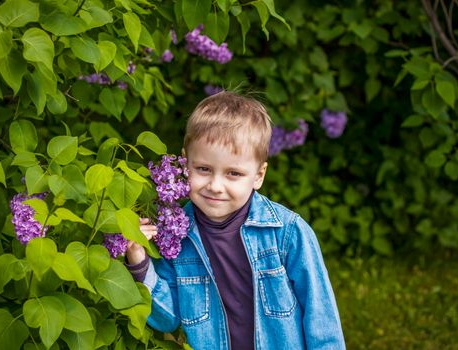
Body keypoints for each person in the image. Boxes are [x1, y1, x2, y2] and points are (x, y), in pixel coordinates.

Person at [126, 91, 345, 349]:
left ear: (258, 175)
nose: (216, 186)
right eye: (203, 169)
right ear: (185, 163)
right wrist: (139, 261)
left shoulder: (288, 233)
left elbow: (322, 319)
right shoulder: (175, 237)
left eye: (233, 173)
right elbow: (167, 318)